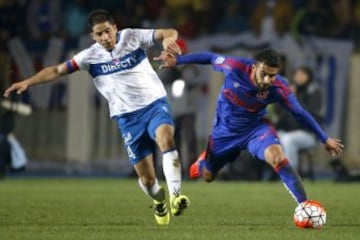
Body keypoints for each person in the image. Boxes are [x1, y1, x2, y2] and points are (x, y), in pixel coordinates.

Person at [3, 9, 190, 225]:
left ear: (115, 28)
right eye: (99, 34)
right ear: (93, 36)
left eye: (108, 32)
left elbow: (169, 31)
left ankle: (176, 196)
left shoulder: (132, 37)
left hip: (155, 105)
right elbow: (57, 70)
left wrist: (167, 42)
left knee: (166, 140)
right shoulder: (89, 57)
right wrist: (28, 82)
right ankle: (159, 201)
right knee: (147, 180)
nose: (105, 38)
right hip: (127, 119)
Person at [154, 48, 343, 205]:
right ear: (254, 68)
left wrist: (324, 138)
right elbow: (210, 57)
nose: (268, 80)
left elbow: (299, 113)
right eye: (264, 74)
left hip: (256, 129)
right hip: (225, 133)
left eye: (273, 75)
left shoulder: (279, 87)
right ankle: (204, 161)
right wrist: (178, 60)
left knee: (277, 156)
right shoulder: (234, 66)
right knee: (208, 176)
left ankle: (305, 206)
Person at [276, 66, 323, 171]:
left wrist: (294, 98)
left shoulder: (314, 92)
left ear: (308, 76)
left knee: (288, 140)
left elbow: (309, 114)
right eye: (297, 74)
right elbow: (279, 113)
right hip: (286, 132)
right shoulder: (289, 89)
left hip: (308, 134)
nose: (299, 77)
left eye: (302, 75)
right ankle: (270, 174)